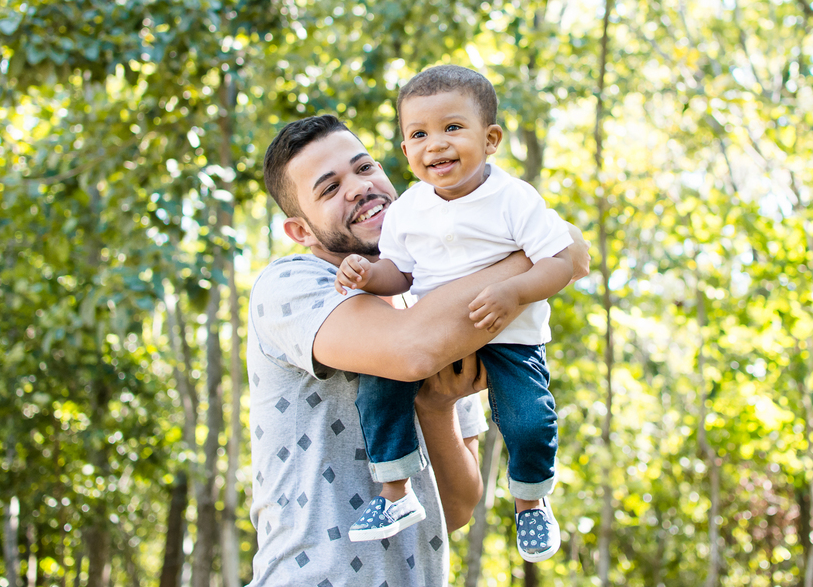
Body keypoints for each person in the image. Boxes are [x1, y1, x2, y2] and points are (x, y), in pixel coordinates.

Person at [247, 113, 588, 587]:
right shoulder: (292, 285)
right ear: (301, 232)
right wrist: (542, 254)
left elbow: (456, 510)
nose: (358, 188)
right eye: (329, 189)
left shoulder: (434, 304)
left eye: (364, 168)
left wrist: (436, 408)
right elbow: (412, 351)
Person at [334, 66, 570, 564]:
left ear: (491, 138)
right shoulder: (407, 211)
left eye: (452, 128)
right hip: (439, 337)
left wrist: (514, 292)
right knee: (379, 385)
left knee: (528, 419)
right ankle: (395, 493)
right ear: (404, 151)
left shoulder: (513, 198)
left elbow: (563, 261)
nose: (435, 144)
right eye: (419, 134)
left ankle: (531, 501)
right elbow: (400, 273)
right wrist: (366, 275)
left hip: (512, 337)